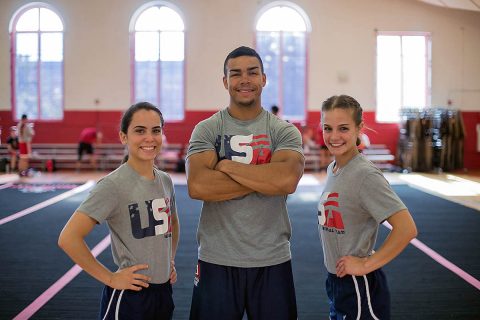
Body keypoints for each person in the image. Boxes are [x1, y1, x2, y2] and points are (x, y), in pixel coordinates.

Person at [186, 46, 305, 320]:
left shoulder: (283, 131)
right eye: (236, 74)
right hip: (217, 258)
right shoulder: (207, 129)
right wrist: (266, 177)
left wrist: (226, 166)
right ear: (225, 81)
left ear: (264, 79)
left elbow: (287, 180)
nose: (245, 80)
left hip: (272, 258)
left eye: (252, 73)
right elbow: (199, 186)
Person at [58, 102, 180, 319]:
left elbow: (173, 224)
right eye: (139, 131)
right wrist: (111, 278)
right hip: (130, 298)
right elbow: (69, 238)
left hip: (163, 293)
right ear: (124, 137)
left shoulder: (165, 180)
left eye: (156, 130)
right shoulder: (113, 185)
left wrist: (169, 260)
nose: (149, 138)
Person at [317, 95, 417, 319]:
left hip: (358, 285)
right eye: (327, 128)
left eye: (343, 128)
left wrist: (365, 265)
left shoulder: (365, 175)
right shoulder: (334, 167)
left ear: (359, 128)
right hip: (337, 281)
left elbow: (407, 228)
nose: (334, 136)